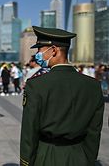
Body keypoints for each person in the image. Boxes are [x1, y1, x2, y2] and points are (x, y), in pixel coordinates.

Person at [20, 26, 105, 166]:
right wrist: (88, 160)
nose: (37, 54)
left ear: (53, 50)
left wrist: (25, 163)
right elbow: (94, 132)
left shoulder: (36, 85)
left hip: (46, 155)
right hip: (79, 155)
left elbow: (29, 132)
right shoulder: (93, 86)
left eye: (40, 50)